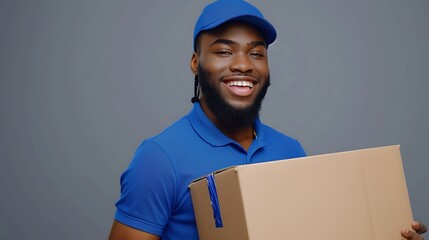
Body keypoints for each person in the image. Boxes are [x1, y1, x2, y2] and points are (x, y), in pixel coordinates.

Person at [109, 1, 427, 239]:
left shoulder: (290, 151)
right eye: (223, 51)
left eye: (256, 53)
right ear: (195, 63)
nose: (243, 65)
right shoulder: (159, 158)